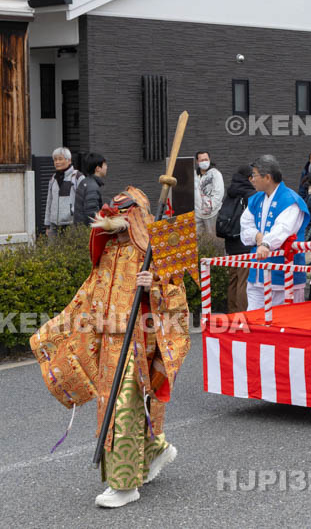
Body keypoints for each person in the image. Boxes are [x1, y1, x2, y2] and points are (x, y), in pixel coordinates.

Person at [30, 188, 190, 508]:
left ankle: (124, 485)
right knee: (121, 405)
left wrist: (155, 284)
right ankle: (155, 448)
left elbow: (178, 297)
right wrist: (60, 328)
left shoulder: (154, 247)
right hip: (108, 340)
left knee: (122, 408)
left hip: (137, 339)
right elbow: (90, 291)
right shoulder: (110, 249)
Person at [240, 155, 311, 309]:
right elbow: (245, 226)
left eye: (254, 175)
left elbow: (283, 229)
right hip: (258, 271)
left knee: (286, 324)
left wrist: (265, 243)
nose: (251, 179)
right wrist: (258, 236)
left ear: (267, 177)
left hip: (284, 274)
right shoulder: (256, 199)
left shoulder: (291, 200)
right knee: (255, 320)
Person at [218, 166, 256, 314]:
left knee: (233, 278)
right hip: (244, 242)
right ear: (249, 178)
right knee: (244, 280)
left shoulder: (231, 192)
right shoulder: (250, 194)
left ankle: (232, 311)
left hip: (230, 242)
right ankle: (243, 313)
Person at [44, 146, 83, 237]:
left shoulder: (77, 177)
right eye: (55, 160)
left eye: (60, 159)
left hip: (71, 224)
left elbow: (83, 201)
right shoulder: (53, 178)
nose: (57, 162)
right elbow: (49, 202)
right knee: (52, 250)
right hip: (54, 224)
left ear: (69, 160)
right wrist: (47, 224)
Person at [193, 150, 224, 238]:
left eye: (206, 159)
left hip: (212, 214)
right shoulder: (194, 175)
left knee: (213, 239)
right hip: (197, 214)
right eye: (201, 160)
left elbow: (218, 193)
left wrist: (210, 207)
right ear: (197, 162)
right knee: (198, 239)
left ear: (209, 160)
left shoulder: (216, 174)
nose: (204, 162)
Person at [74, 152, 107, 225]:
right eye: (105, 164)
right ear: (98, 168)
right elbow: (92, 216)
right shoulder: (92, 187)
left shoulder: (85, 181)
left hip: (80, 229)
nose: (106, 167)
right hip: (86, 232)